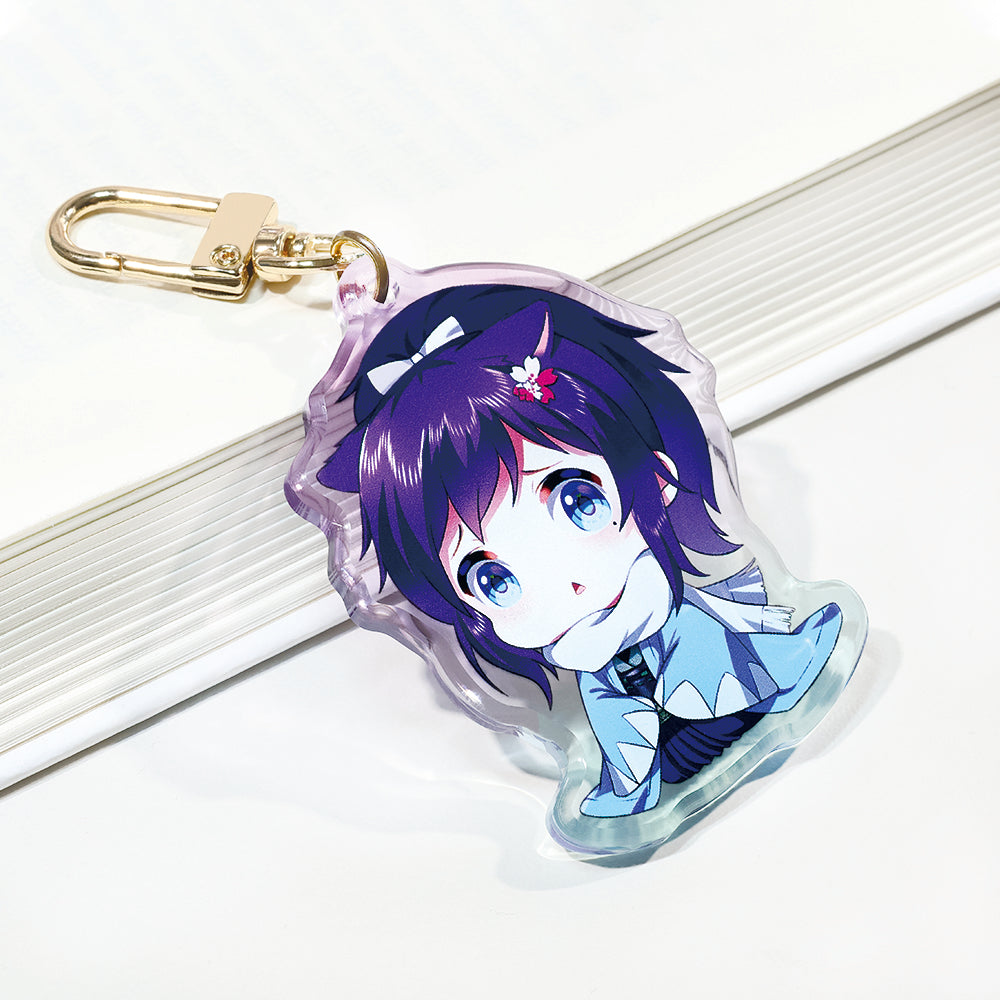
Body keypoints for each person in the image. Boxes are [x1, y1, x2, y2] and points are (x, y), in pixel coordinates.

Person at [315, 284, 841, 817]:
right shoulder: (597, 699)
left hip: (744, 660)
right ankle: (638, 774)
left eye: (579, 503)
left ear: (658, 477)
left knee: (721, 650)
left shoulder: (698, 624)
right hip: (626, 744)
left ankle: (769, 671)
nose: (569, 585)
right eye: (493, 580)